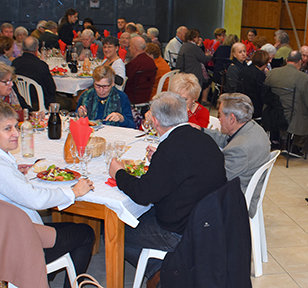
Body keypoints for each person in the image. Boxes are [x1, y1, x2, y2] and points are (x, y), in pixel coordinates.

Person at [0, 101, 95, 288]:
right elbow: (35, 199)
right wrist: (73, 191)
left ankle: (47, 275)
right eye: (7, 129)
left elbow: (2, 182)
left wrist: (13, 172)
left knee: (70, 228)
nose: (16, 134)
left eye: (16, 127)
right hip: (16, 243)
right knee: (85, 233)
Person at [108, 92, 226, 279]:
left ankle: (158, 272)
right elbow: (185, 167)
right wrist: (159, 160)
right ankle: (162, 267)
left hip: (179, 231)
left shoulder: (170, 148)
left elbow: (143, 195)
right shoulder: (203, 139)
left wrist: (118, 173)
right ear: (184, 114)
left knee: (115, 231)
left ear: (155, 122)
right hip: (208, 222)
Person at [198, 93, 270, 216]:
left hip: (236, 200)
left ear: (232, 118)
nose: (219, 119)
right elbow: (225, 139)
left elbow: (217, 180)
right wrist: (201, 131)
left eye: (220, 115)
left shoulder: (240, 148)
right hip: (243, 187)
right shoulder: (252, 127)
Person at [264, 51, 308, 157]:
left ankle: (279, 140)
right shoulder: (304, 78)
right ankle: (296, 145)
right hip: (292, 116)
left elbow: (265, 92)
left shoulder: (272, 73)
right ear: (300, 62)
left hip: (272, 113)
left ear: (287, 60)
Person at [12, 36, 59, 110]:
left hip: (21, 101)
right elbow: (52, 89)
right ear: (37, 48)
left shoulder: (15, 63)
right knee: (68, 102)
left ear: (22, 48)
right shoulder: (41, 65)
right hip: (39, 103)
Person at [175, 29, 212, 102]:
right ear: (194, 38)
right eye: (198, 37)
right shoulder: (194, 47)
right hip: (194, 74)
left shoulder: (184, 45)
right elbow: (204, 59)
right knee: (208, 79)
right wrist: (210, 55)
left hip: (184, 72)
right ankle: (202, 100)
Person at [124, 36, 157, 105]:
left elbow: (125, 83)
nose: (129, 49)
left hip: (132, 98)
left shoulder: (133, 64)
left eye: (130, 46)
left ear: (135, 48)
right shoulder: (151, 61)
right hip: (146, 97)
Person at [238, 50, 269, 119]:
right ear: (265, 63)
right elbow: (264, 94)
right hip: (255, 107)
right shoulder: (259, 75)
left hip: (243, 104)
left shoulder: (244, 70)